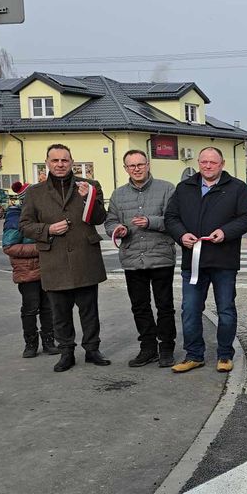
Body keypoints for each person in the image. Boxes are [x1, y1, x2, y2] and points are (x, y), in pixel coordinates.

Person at [19, 144, 111, 372]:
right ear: (47, 163)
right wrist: (48, 229)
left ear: (71, 162)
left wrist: (88, 198)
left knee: (89, 310)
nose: (60, 164)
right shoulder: (34, 192)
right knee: (59, 313)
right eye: (55, 160)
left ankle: (92, 350)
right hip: (55, 261)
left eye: (64, 160)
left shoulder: (89, 186)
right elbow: (25, 225)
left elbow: (100, 218)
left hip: (85, 257)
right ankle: (66, 352)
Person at [164, 147, 247, 374]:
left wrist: (225, 232)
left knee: (225, 309)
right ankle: (194, 355)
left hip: (223, 260)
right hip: (193, 262)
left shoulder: (237, 188)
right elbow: (171, 217)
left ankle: (225, 354)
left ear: (222, 164)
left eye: (212, 162)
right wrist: (181, 234)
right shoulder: (185, 188)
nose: (207, 166)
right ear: (198, 162)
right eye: (203, 162)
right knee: (190, 309)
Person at [105, 150, 178, 367]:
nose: (136, 169)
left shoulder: (167, 189)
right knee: (140, 306)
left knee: (164, 305)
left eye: (140, 164)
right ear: (125, 168)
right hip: (132, 258)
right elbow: (110, 221)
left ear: (148, 165)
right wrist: (116, 229)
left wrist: (151, 221)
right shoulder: (118, 195)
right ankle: (147, 348)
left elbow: (174, 221)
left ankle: (166, 348)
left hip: (161, 257)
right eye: (131, 166)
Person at [2, 181, 58, 359]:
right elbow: (9, 246)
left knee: (48, 308)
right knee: (30, 308)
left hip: (47, 269)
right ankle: (31, 344)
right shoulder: (15, 217)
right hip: (27, 272)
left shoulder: (40, 215)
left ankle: (49, 342)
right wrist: (40, 248)